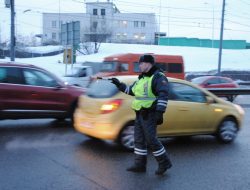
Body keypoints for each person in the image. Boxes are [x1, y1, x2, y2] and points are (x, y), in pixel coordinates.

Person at [111, 54, 172, 175]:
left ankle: (164, 162)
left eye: (141, 63)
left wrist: (160, 112)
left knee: (151, 140)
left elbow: (163, 95)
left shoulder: (158, 77)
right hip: (139, 114)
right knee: (138, 140)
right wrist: (119, 85)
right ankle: (140, 165)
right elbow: (132, 91)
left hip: (150, 114)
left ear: (149, 63)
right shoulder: (141, 78)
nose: (139, 65)